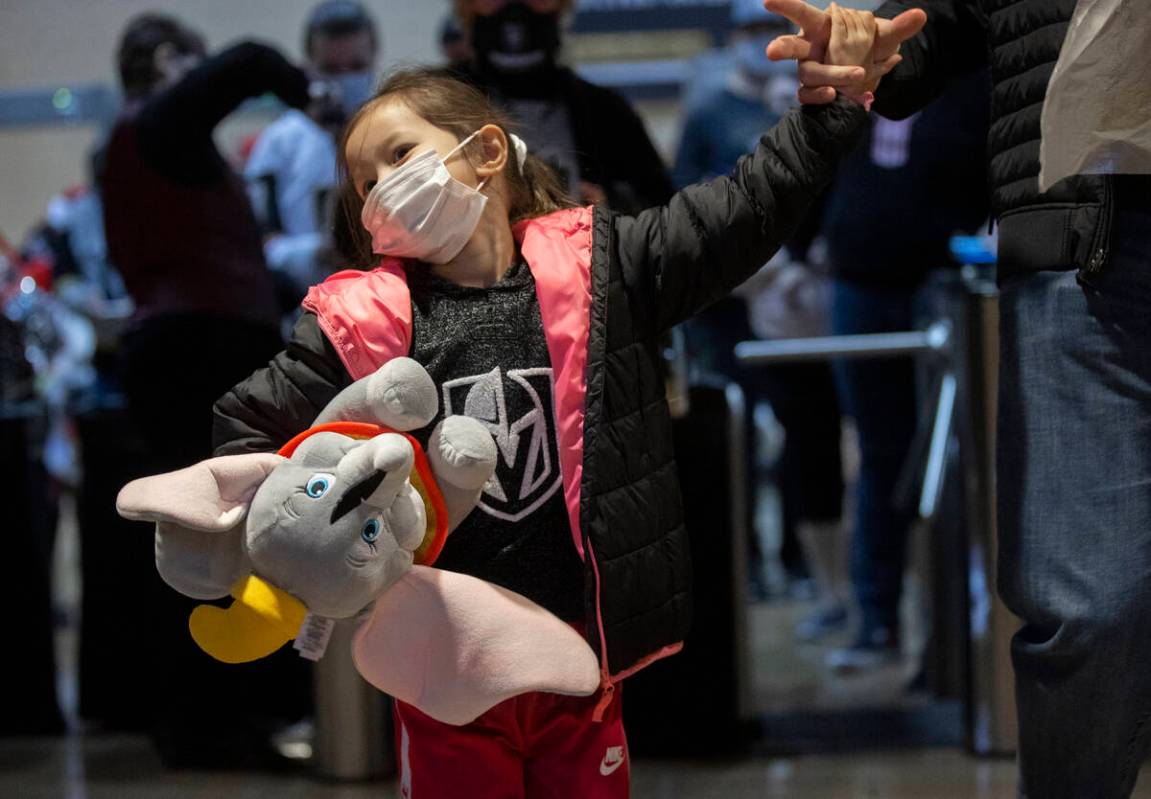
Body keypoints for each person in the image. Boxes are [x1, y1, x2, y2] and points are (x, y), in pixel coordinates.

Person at [210, 7, 919, 791]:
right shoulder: (365, 322)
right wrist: (291, 540)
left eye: (400, 155)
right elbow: (245, 426)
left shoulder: (604, 269)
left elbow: (743, 211)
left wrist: (828, 111)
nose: (382, 188)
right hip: (443, 674)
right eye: (365, 180)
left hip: (580, 660)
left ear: (484, 153)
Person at [766, 0, 1151, 795]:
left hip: (971, 269)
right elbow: (923, 32)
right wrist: (868, 49)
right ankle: (873, 615)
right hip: (1083, 246)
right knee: (1086, 609)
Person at [99, 13, 313, 768]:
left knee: (202, 540)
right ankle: (213, 724)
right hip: (198, 349)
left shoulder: (141, 139)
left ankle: (209, 720)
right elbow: (251, 55)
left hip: (182, 346)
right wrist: (312, 95)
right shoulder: (156, 125)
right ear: (160, 64)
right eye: (182, 62)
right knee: (215, 539)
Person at [673, 0, 846, 607]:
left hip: (796, 300)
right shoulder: (707, 113)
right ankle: (743, 565)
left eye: (769, 30)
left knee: (807, 432)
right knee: (735, 433)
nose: (759, 41)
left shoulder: (802, 99)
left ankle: (804, 564)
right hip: (729, 302)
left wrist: (796, 265)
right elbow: (684, 204)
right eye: (749, 30)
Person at [819, 67, 990, 670]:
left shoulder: (971, 86)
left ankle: (952, 648)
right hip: (860, 284)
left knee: (950, 461)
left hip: (941, 287)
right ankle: (878, 620)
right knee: (879, 455)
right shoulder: (853, 86)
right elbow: (813, 171)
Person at [446, 0, 675, 213]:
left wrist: (611, 213)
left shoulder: (607, 113)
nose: (516, 7)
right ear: (466, 7)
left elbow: (661, 217)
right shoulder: (434, 107)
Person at [244, 0, 380, 316]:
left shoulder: (397, 133)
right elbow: (256, 241)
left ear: (374, 58)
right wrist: (312, 253)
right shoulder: (278, 145)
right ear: (309, 65)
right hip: (304, 314)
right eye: (332, 69)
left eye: (357, 66)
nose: (345, 79)